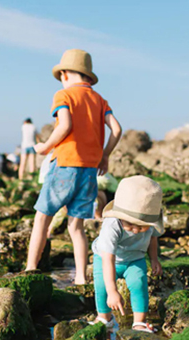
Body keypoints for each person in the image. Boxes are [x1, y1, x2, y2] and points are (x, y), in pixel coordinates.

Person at [25, 48, 123, 285]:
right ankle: (80, 278)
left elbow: (65, 125)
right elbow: (117, 129)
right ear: (88, 77)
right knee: (76, 226)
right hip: (89, 170)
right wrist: (105, 156)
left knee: (42, 218)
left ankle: (30, 269)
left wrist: (46, 147)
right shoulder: (99, 100)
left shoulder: (63, 95)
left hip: (65, 165)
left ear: (66, 74)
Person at [90, 176, 164, 333]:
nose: (136, 230)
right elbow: (108, 258)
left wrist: (154, 259)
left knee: (139, 283)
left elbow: (153, 239)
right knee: (102, 285)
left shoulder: (151, 222)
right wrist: (112, 291)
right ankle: (104, 317)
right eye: (130, 224)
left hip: (135, 259)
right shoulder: (112, 225)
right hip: (105, 258)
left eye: (141, 227)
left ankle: (139, 322)